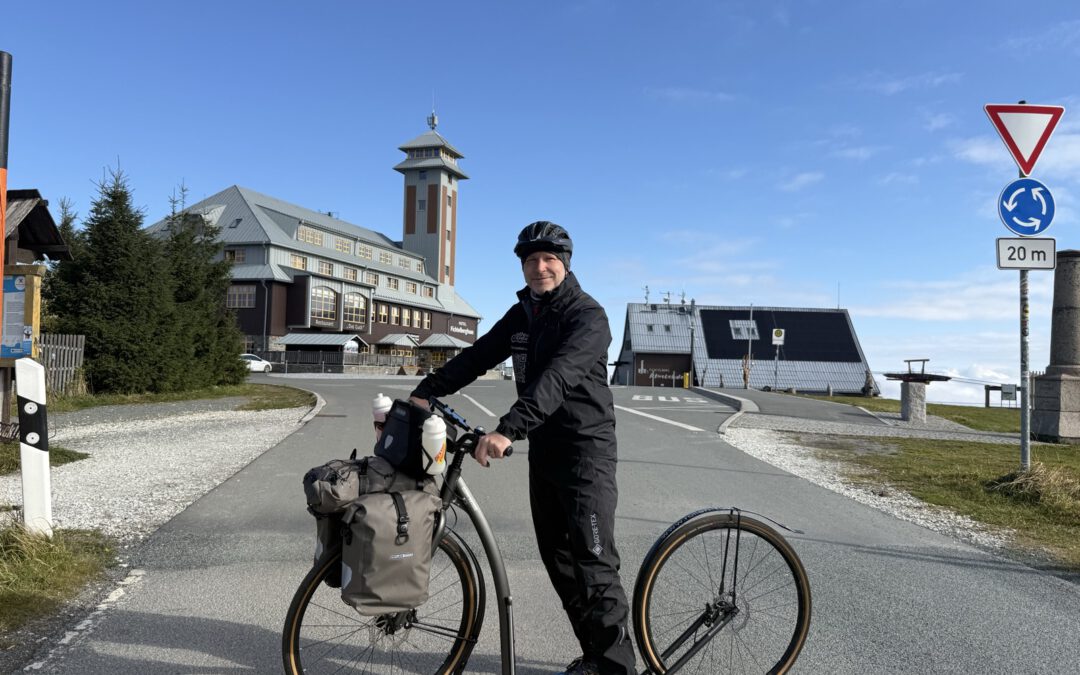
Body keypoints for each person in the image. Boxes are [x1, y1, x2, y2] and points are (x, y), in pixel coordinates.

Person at [410, 221, 635, 675]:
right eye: (531, 260)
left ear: (565, 264)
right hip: (546, 454)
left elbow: (558, 378)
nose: (540, 267)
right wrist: (426, 390)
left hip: (586, 455)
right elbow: (478, 356)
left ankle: (618, 668)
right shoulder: (523, 314)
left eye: (549, 259)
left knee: (594, 566)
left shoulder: (588, 316)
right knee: (559, 562)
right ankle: (596, 656)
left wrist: (508, 430)